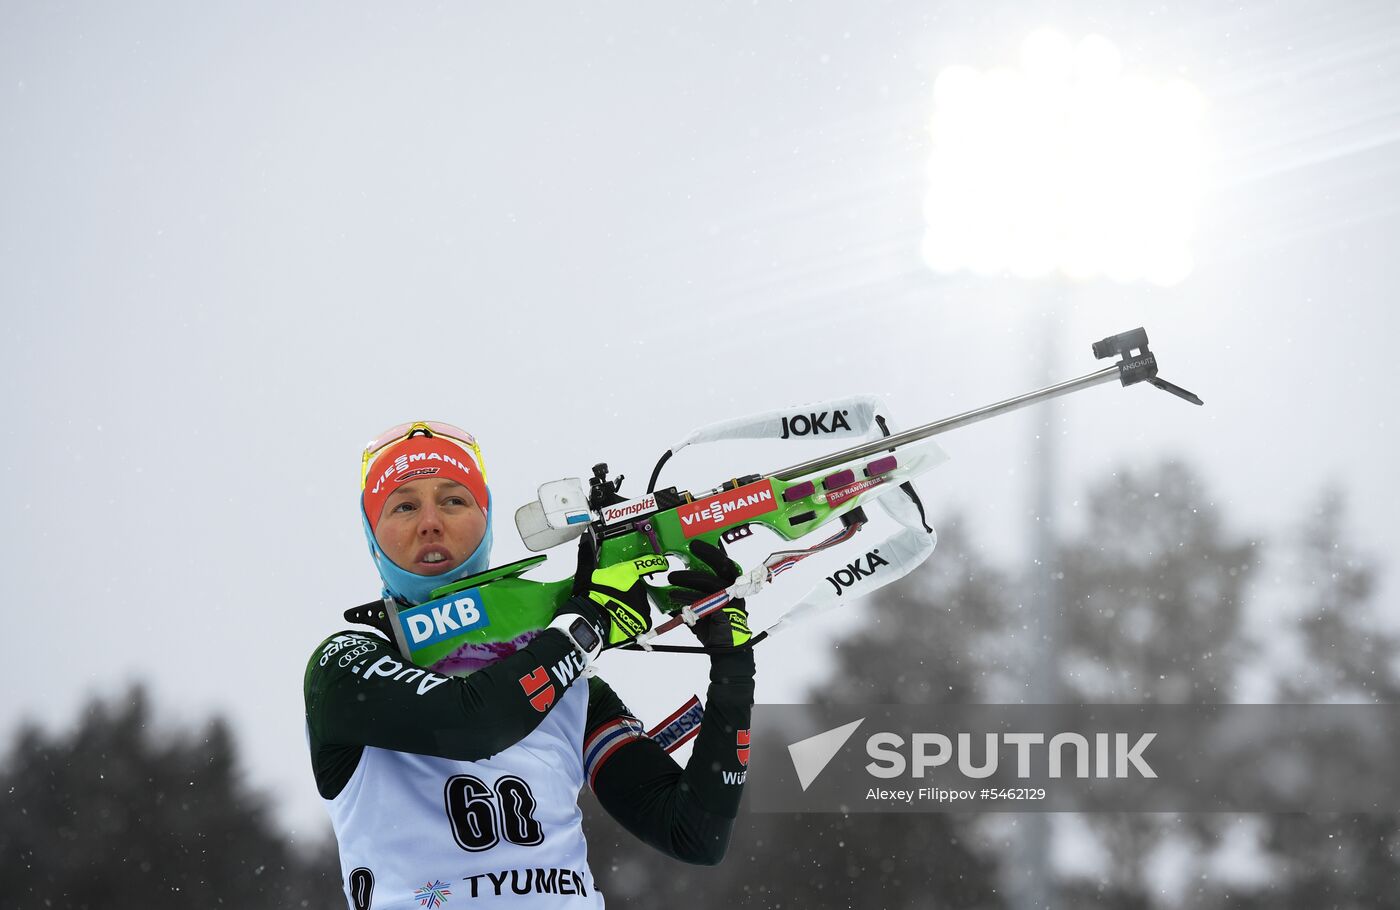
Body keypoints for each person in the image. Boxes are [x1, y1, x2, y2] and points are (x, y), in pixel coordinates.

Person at [303, 422, 756, 909]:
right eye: (405, 505)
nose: (430, 522)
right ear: (373, 535)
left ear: (486, 520)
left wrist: (732, 666)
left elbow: (694, 832)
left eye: (454, 501)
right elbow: (471, 723)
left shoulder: (567, 681)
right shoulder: (346, 664)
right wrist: (585, 626)